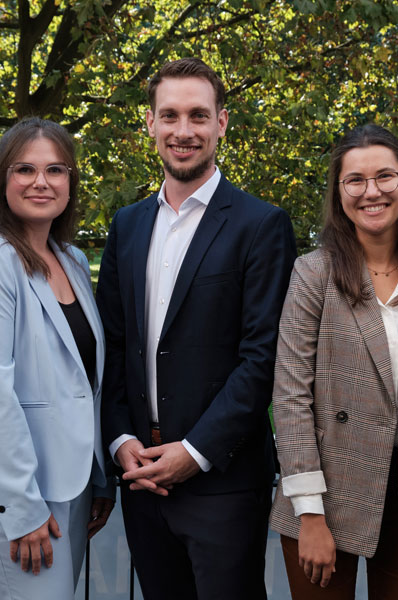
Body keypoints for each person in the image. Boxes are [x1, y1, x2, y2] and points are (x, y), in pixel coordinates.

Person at [96, 57, 297, 599]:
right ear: (150, 124)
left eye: (198, 116)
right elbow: (113, 346)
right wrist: (119, 441)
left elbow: (263, 357)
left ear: (222, 122)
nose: (183, 131)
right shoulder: (128, 224)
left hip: (223, 483)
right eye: (170, 116)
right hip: (142, 480)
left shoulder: (262, 225)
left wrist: (196, 452)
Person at [269, 124, 398, 599]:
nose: (372, 192)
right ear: (339, 191)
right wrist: (311, 514)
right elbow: (290, 396)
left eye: (385, 176)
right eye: (355, 180)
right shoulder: (313, 273)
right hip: (325, 500)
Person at [0, 118, 113, 599]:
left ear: (70, 183)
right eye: (25, 169)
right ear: (3, 181)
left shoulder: (74, 261)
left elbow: (84, 380)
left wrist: (99, 478)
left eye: (55, 170)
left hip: (73, 485)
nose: (41, 182)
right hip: (15, 495)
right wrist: (22, 507)